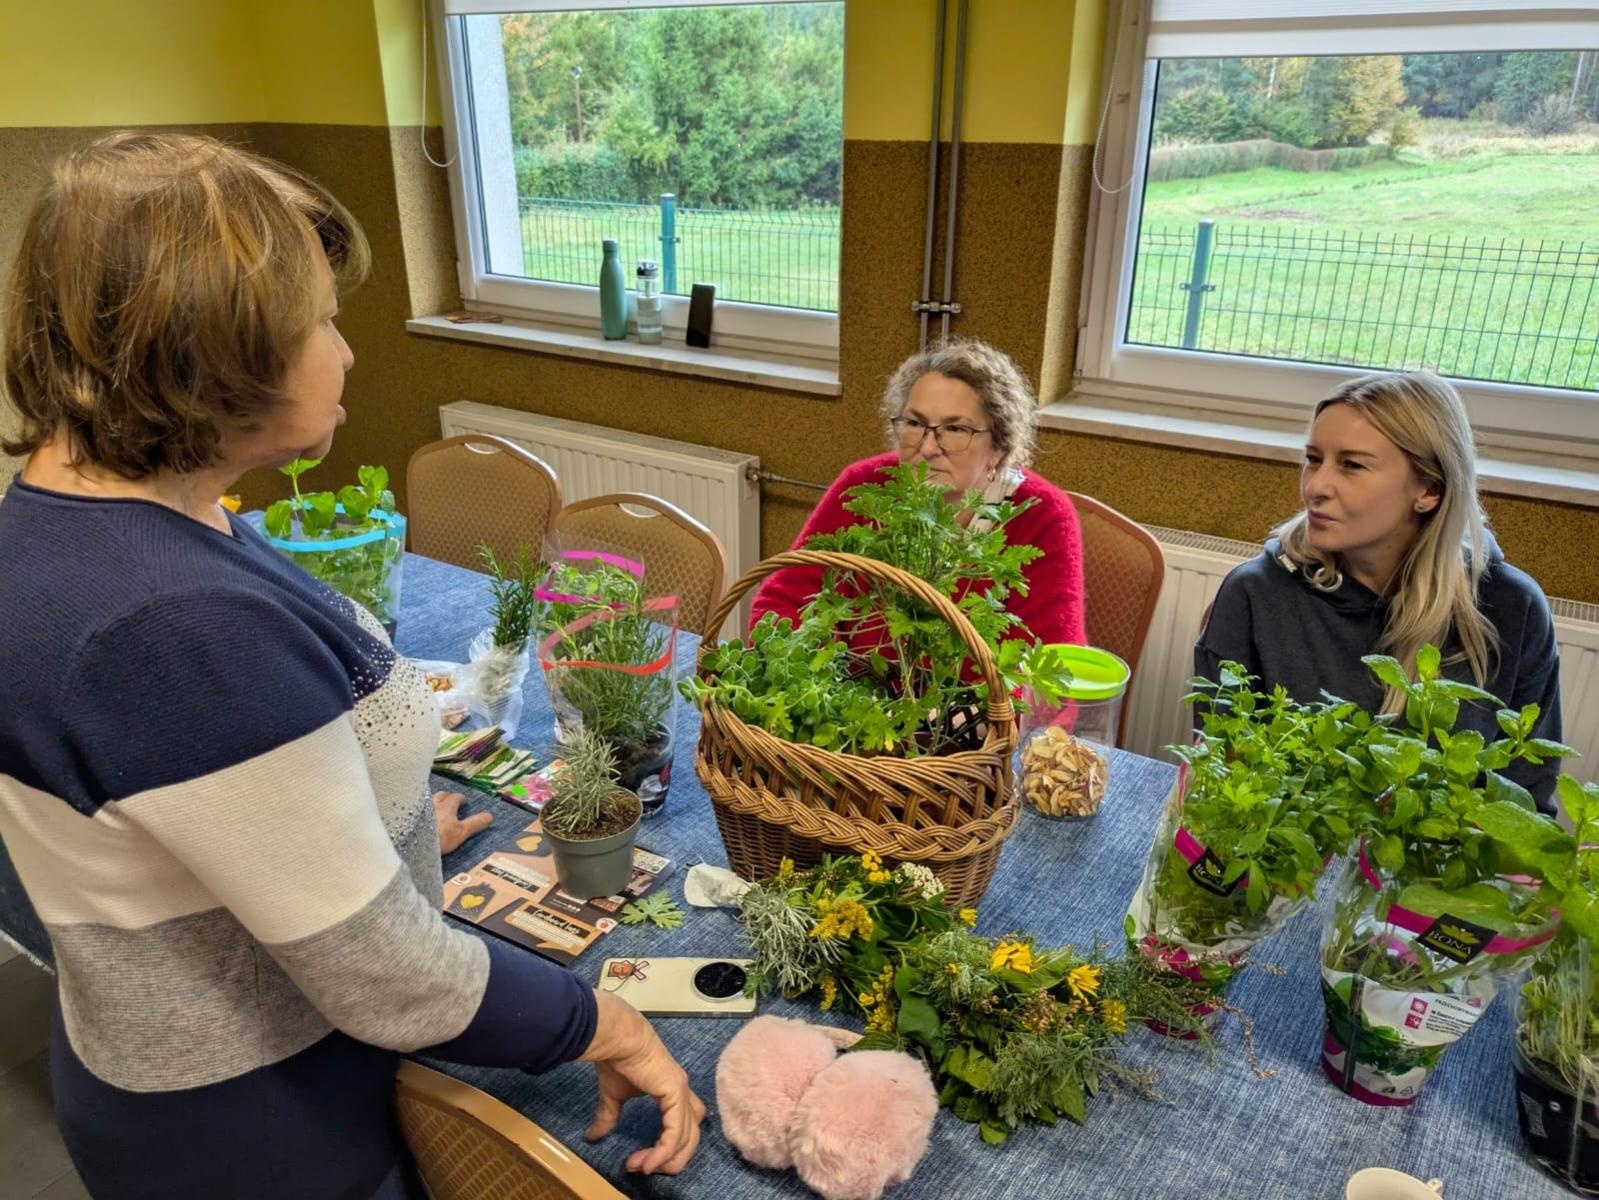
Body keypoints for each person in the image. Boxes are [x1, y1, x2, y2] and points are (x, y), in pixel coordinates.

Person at [0, 131, 703, 1200]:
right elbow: (391, 979)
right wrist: (603, 1023)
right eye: (322, 321)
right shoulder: (168, 624)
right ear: (215, 350)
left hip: (156, 1073)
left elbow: (202, 811)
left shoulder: (78, 526)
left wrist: (370, 831)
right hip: (266, 1134)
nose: (348, 354)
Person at [1195, 370, 1563, 810]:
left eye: (1351, 465)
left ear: (1430, 489)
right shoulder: (1255, 594)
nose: (1315, 487)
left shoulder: (1512, 609)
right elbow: (1222, 784)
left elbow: (1525, 804)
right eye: (1313, 458)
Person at [751, 338, 1086, 647]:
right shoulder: (864, 486)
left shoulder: (1041, 515)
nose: (927, 448)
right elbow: (783, 600)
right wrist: (815, 677)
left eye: (955, 429)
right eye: (914, 423)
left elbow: (1053, 661)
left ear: (999, 446)